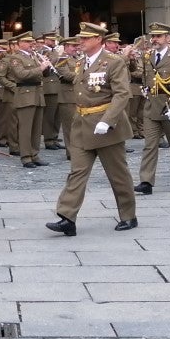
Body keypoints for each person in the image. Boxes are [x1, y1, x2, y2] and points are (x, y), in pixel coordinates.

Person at [46, 22, 137, 236]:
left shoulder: (113, 62)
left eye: (86, 38)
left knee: (118, 174)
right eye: (80, 38)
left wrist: (108, 120)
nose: (81, 42)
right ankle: (67, 216)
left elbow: (122, 94)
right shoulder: (81, 63)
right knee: (77, 172)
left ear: (98, 40)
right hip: (82, 124)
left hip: (106, 126)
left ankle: (128, 215)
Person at [134, 22, 170, 195]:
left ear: (168, 38)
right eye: (153, 36)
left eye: (158, 36)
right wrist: (145, 89)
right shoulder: (148, 57)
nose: (154, 39)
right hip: (152, 106)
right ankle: (146, 181)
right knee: (149, 145)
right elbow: (147, 78)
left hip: (169, 105)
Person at [4, 31, 47, 168]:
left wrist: (46, 67)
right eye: (28, 42)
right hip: (25, 94)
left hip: (37, 94)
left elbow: (41, 75)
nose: (31, 44)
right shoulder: (16, 58)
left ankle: (35, 154)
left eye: (32, 42)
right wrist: (40, 68)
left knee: (36, 128)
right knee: (26, 128)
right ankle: (26, 156)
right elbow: (21, 75)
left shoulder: (34, 56)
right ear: (20, 44)